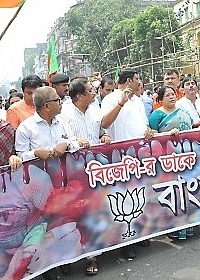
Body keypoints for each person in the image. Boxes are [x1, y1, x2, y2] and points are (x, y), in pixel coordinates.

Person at [100, 69, 155, 259]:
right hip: (120, 158)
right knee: (123, 199)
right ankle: (125, 242)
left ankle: (139, 235)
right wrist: (120, 103)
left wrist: (148, 130)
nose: (140, 82)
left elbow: (143, 125)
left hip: (140, 156)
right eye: (138, 78)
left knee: (140, 194)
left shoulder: (139, 100)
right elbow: (105, 123)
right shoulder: (111, 98)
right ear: (129, 80)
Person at [63, 79, 111, 275]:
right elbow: (60, 139)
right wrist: (75, 141)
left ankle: (94, 253)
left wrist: (104, 136)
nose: (94, 93)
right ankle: (70, 256)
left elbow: (102, 130)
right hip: (74, 172)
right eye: (90, 91)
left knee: (97, 211)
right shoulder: (64, 114)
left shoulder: (95, 109)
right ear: (79, 96)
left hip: (97, 169)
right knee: (75, 215)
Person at [148, 86, 195, 239]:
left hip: (186, 156)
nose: (171, 97)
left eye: (173, 94)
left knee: (187, 190)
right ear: (160, 99)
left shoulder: (183, 111)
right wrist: (168, 134)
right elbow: (152, 135)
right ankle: (173, 228)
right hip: (167, 158)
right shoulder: (156, 115)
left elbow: (192, 126)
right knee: (172, 191)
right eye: (167, 95)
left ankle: (188, 226)